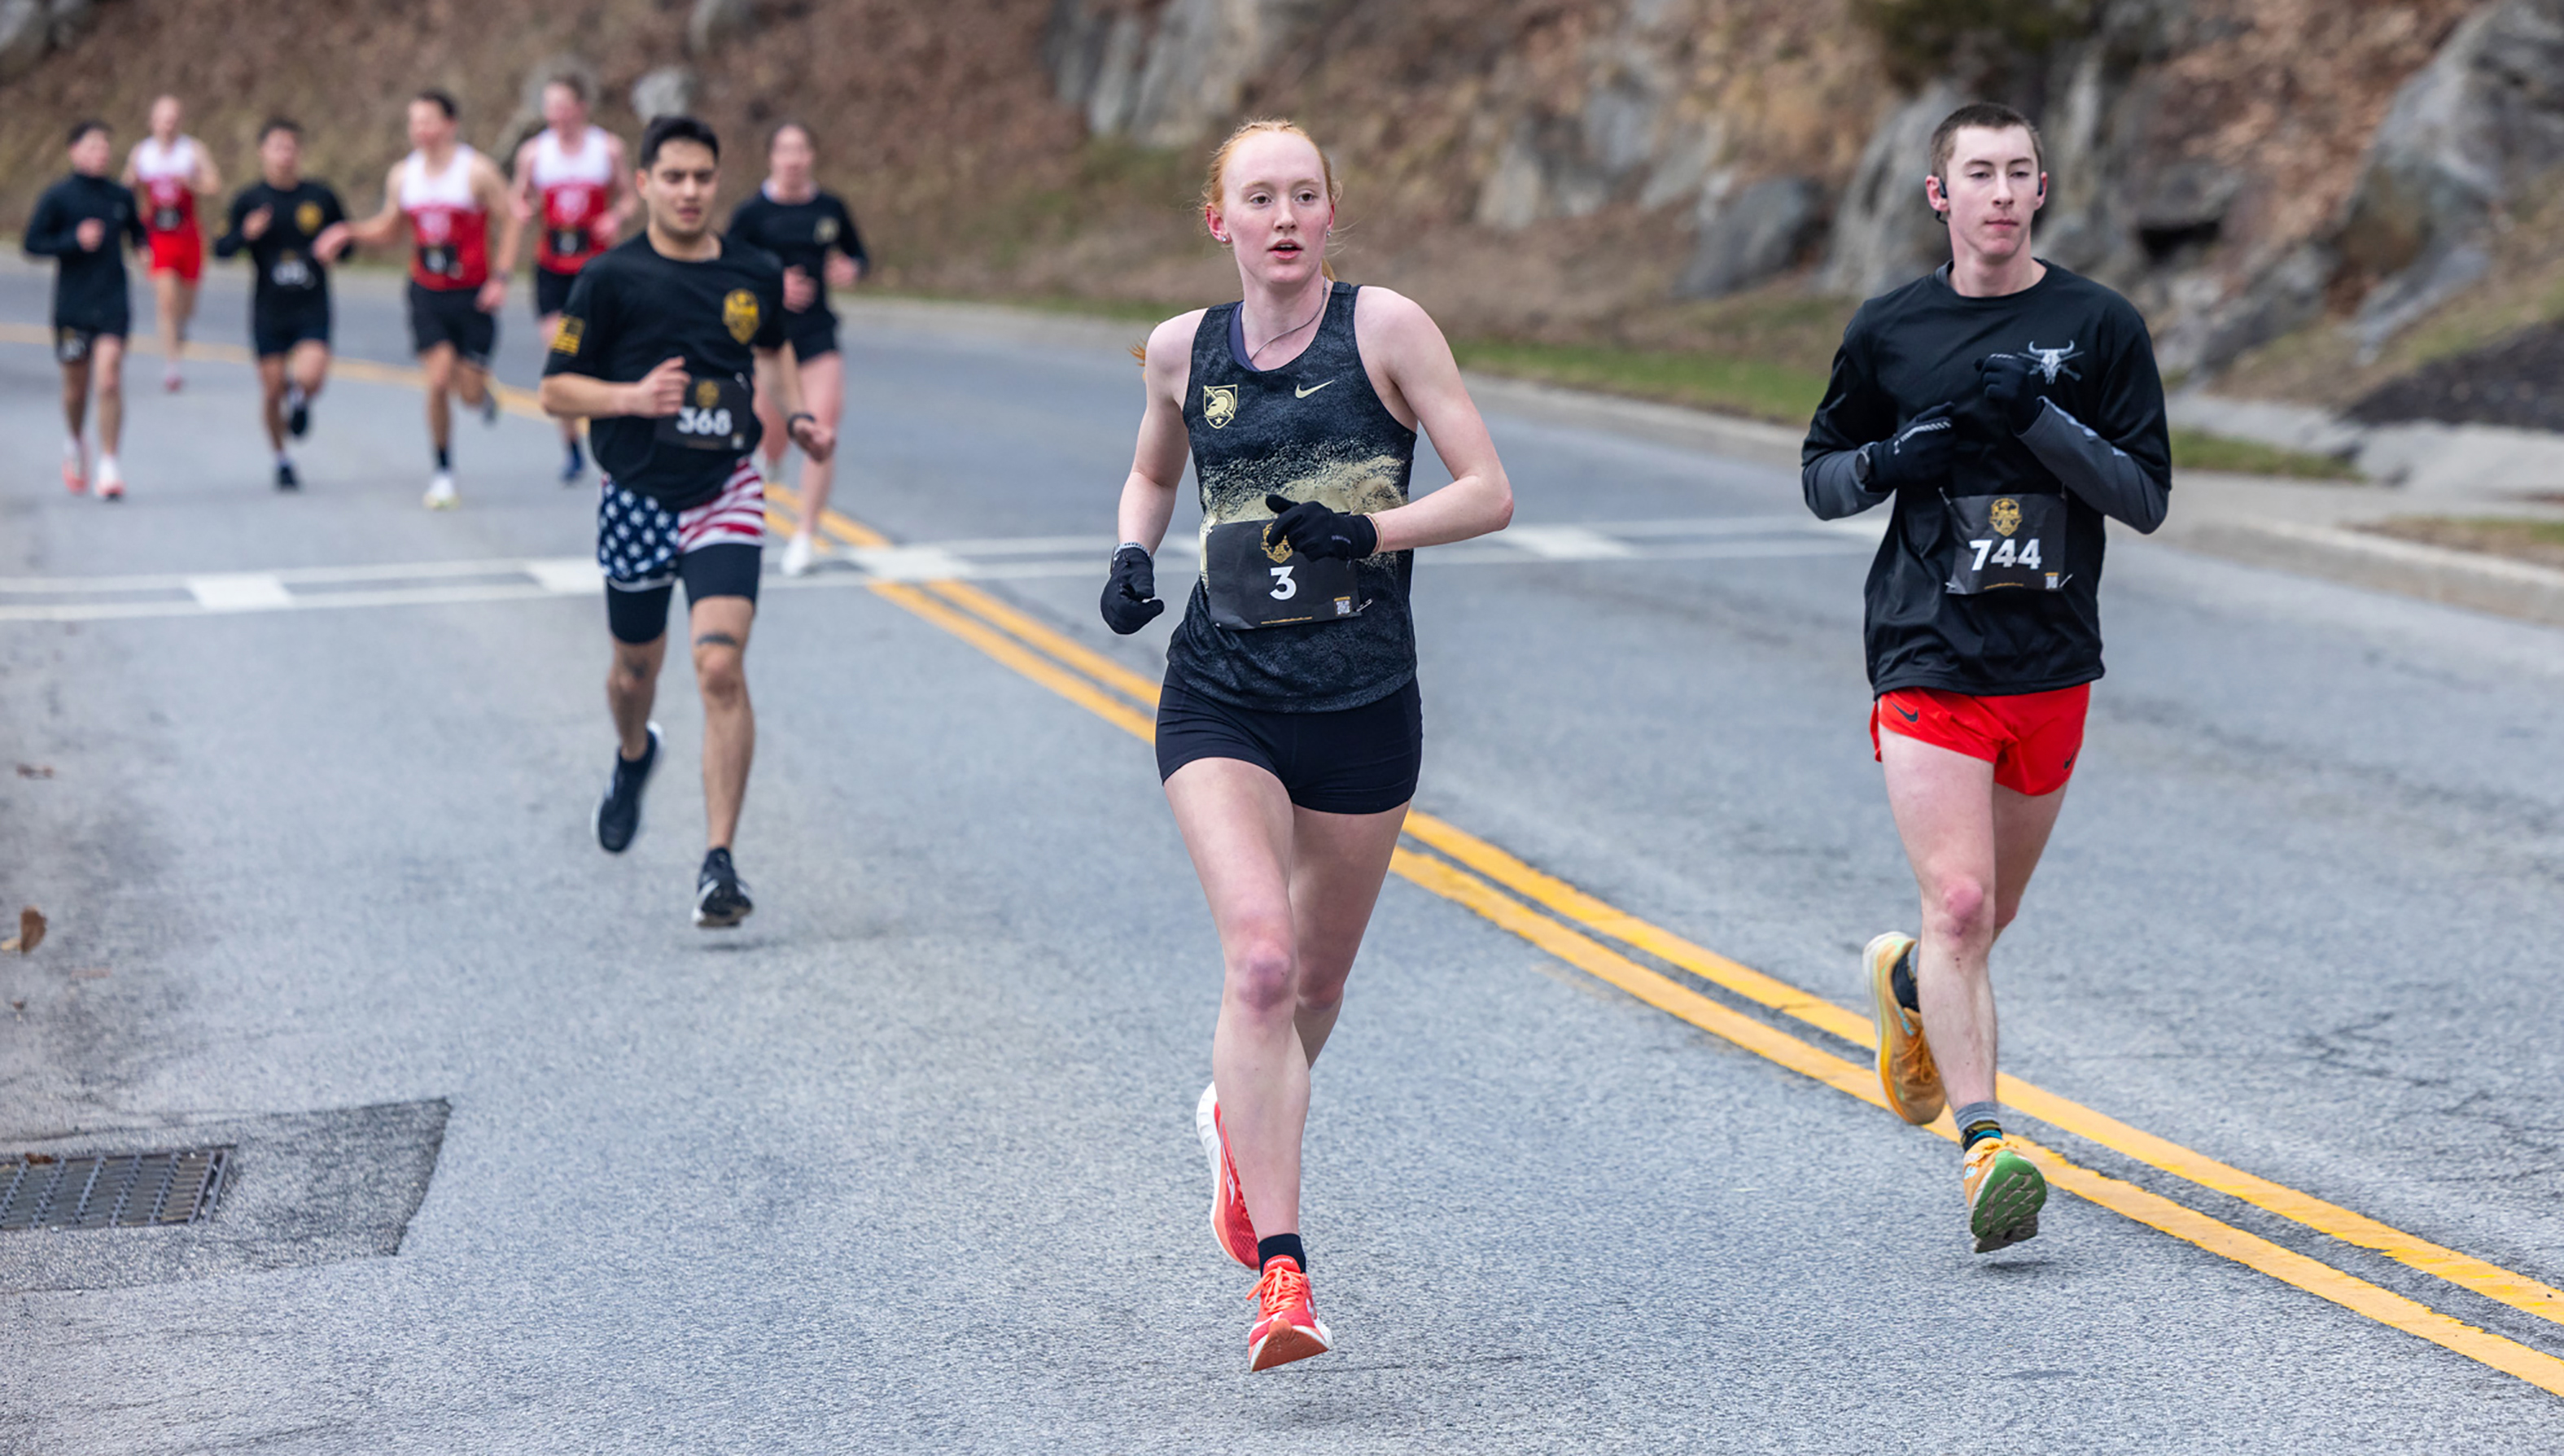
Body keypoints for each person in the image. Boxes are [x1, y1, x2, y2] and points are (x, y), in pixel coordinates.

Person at [1103, 118, 1512, 1371]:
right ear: (1216, 221)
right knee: (1264, 966)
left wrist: (1371, 536)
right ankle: (1282, 1273)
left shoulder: (1385, 330)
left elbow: (1487, 488)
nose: (1283, 217)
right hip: (1221, 697)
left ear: (1331, 214)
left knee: (1316, 989)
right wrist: (1129, 553)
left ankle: (1237, 1116)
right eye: (1256, 197)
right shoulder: (1183, 351)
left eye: (1304, 195)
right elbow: (1154, 477)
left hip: (1363, 705)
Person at [1800, 102, 2170, 1254]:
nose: (2000, 193)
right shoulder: (1889, 329)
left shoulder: (2098, 324)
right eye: (1978, 174)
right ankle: (1986, 1148)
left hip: (2048, 659)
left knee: (1985, 915)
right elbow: (1819, 477)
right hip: (1924, 648)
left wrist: (2042, 422)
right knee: (1959, 899)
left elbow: (2144, 497)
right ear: (1938, 197)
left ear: (2041, 191)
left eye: (2018, 173)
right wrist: (1886, 460)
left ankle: (1910, 984)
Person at [537, 114, 833, 929]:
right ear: (643, 184)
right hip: (634, 492)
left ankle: (718, 863)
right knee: (634, 671)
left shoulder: (751, 271)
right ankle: (635, 754)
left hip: (725, 488)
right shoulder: (609, 279)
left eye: (703, 176)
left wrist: (797, 416)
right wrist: (630, 398)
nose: (691, 190)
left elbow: (772, 350)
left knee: (718, 669)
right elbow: (555, 388)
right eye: (674, 176)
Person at [343, 90, 514, 509]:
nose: (420, 130)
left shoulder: (476, 171)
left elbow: (512, 218)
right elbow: (390, 228)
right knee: (437, 380)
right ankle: (442, 472)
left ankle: (483, 394)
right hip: (427, 293)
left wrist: (501, 278)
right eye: (414, 122)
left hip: (472, 294)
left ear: (450, 124)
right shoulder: (404, 175)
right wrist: (347, 233)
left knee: (469, 393)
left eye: (428, 121)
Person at [724, 122, 865, 576]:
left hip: (818, 335)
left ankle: (805, 534)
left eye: (801, 149)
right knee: (772, 433)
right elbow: (726, 270)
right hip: (768, 340)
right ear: (771, 157)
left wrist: (850, 269)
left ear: (812, 156)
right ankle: (772, 460)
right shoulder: (752, 214)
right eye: (784, 150)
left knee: (822, 432)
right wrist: (772, 284)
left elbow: (857, 255)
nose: (793, 159)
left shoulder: (830, 208)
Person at [503, 73, 632, 484]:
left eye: (563, 106)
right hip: (552, 269)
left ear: (581, 108)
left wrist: (616, 216)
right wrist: (522, 209)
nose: (556, 115)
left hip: (597, 268)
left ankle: (605, 442)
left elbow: (631, 194)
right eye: (549, 107)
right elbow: (517, 196)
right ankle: (572, 446)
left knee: (601, 359)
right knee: (563, 354)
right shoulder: (533, 153)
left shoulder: (607, 148)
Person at [213, 119, 350, 491]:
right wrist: (246, 234)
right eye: (277, 147)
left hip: (311, 304)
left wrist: (335, 248)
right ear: (263, 152)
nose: (284, 155)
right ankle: (282, 459)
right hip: (268, 309)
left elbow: (347, 242)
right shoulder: (249, 200)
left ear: (300, 152)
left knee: (311, 376)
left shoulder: (320, 197)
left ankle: (301, 398)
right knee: (271, 390)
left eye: (291, 147)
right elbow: (221, 249)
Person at [25, 121, 145, 501]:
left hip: (112, 299)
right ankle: (76, 441)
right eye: (92, 147)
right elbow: (32, 243)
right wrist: (72, 241)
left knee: (109, 378)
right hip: (72, 305)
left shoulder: (120, 195)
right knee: (76, 387)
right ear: (74, 151)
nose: (101, 154)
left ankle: (110, 464)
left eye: (106, 147)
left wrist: (145, 252)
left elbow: (138, 234)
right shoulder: (58, 197)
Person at [123, 94, 218, 393]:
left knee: (186, 304)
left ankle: (181, 329)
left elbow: (214, 185)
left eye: (174, 118)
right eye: (163, 118)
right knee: (165, 300)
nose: (168, 124)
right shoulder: (142, 152)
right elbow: (125, 187)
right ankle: (172, 366)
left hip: (188, 234)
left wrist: (191, 183)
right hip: (158, 235)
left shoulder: (192, 150)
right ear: (152, 121)